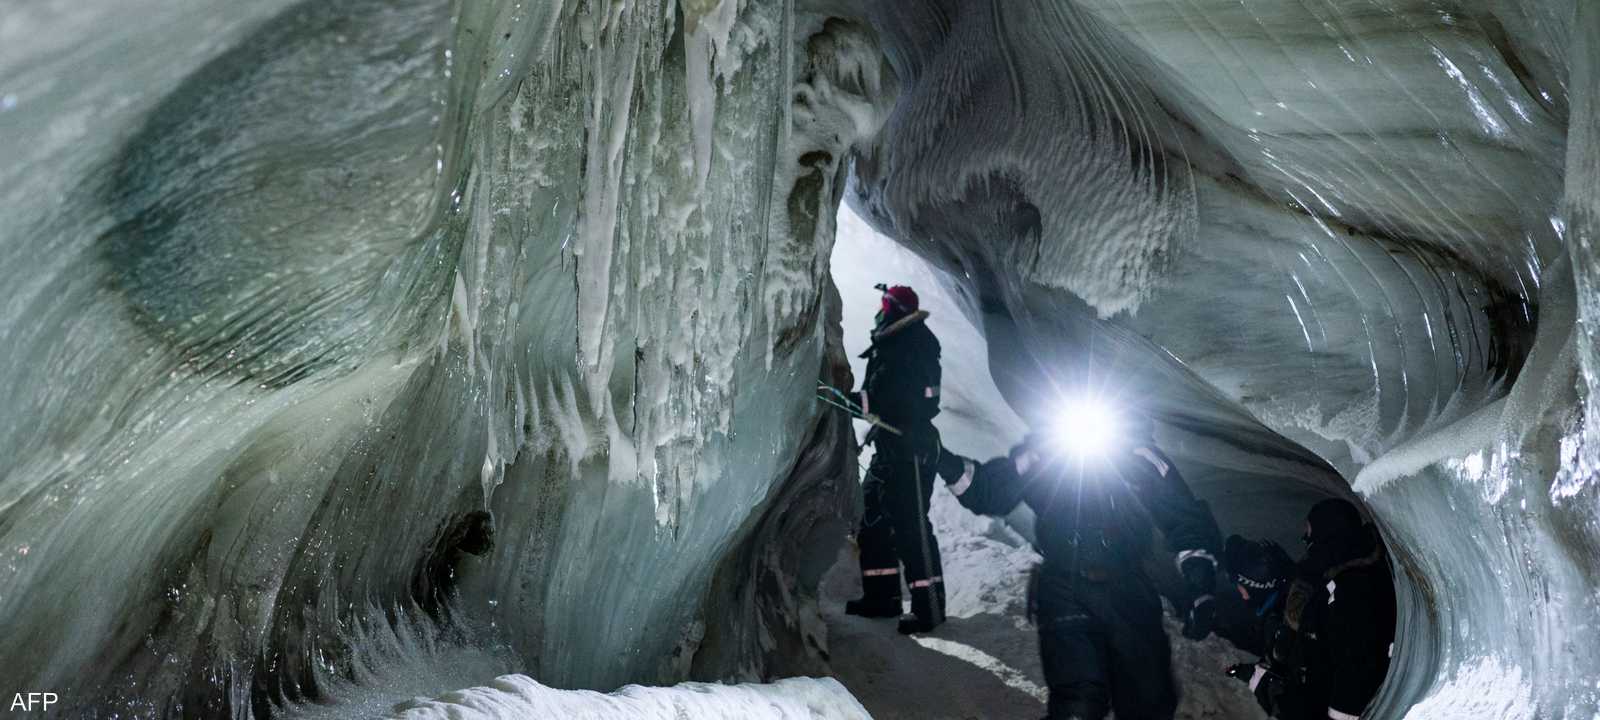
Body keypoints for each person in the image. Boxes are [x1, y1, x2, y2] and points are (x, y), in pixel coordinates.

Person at [935, 415, 1223, 720]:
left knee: (1149, 702)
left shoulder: (1139, 456)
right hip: (1065, 587)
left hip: (1128, 589)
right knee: (1078, 702)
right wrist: (944, 461)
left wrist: (1200, 582)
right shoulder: (1046, 451)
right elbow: (991, 490)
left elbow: (1183, 515)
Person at [1224, 499, 1397, 720]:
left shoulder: (1350, 590)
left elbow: (1349, 669)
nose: (1305, 539)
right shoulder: (1327, 588)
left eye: (1309, 531)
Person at [838, 284, 947, 634]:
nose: (880, 311)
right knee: (872, 518)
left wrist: (856, 402)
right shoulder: (898, 343)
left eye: (884, 305)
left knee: (911, 526)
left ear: (894, 309)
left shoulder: (911, 346)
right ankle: (882, 597)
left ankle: (929, 608)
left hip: (911, 450)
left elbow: (901, 399)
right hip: (891, 446)